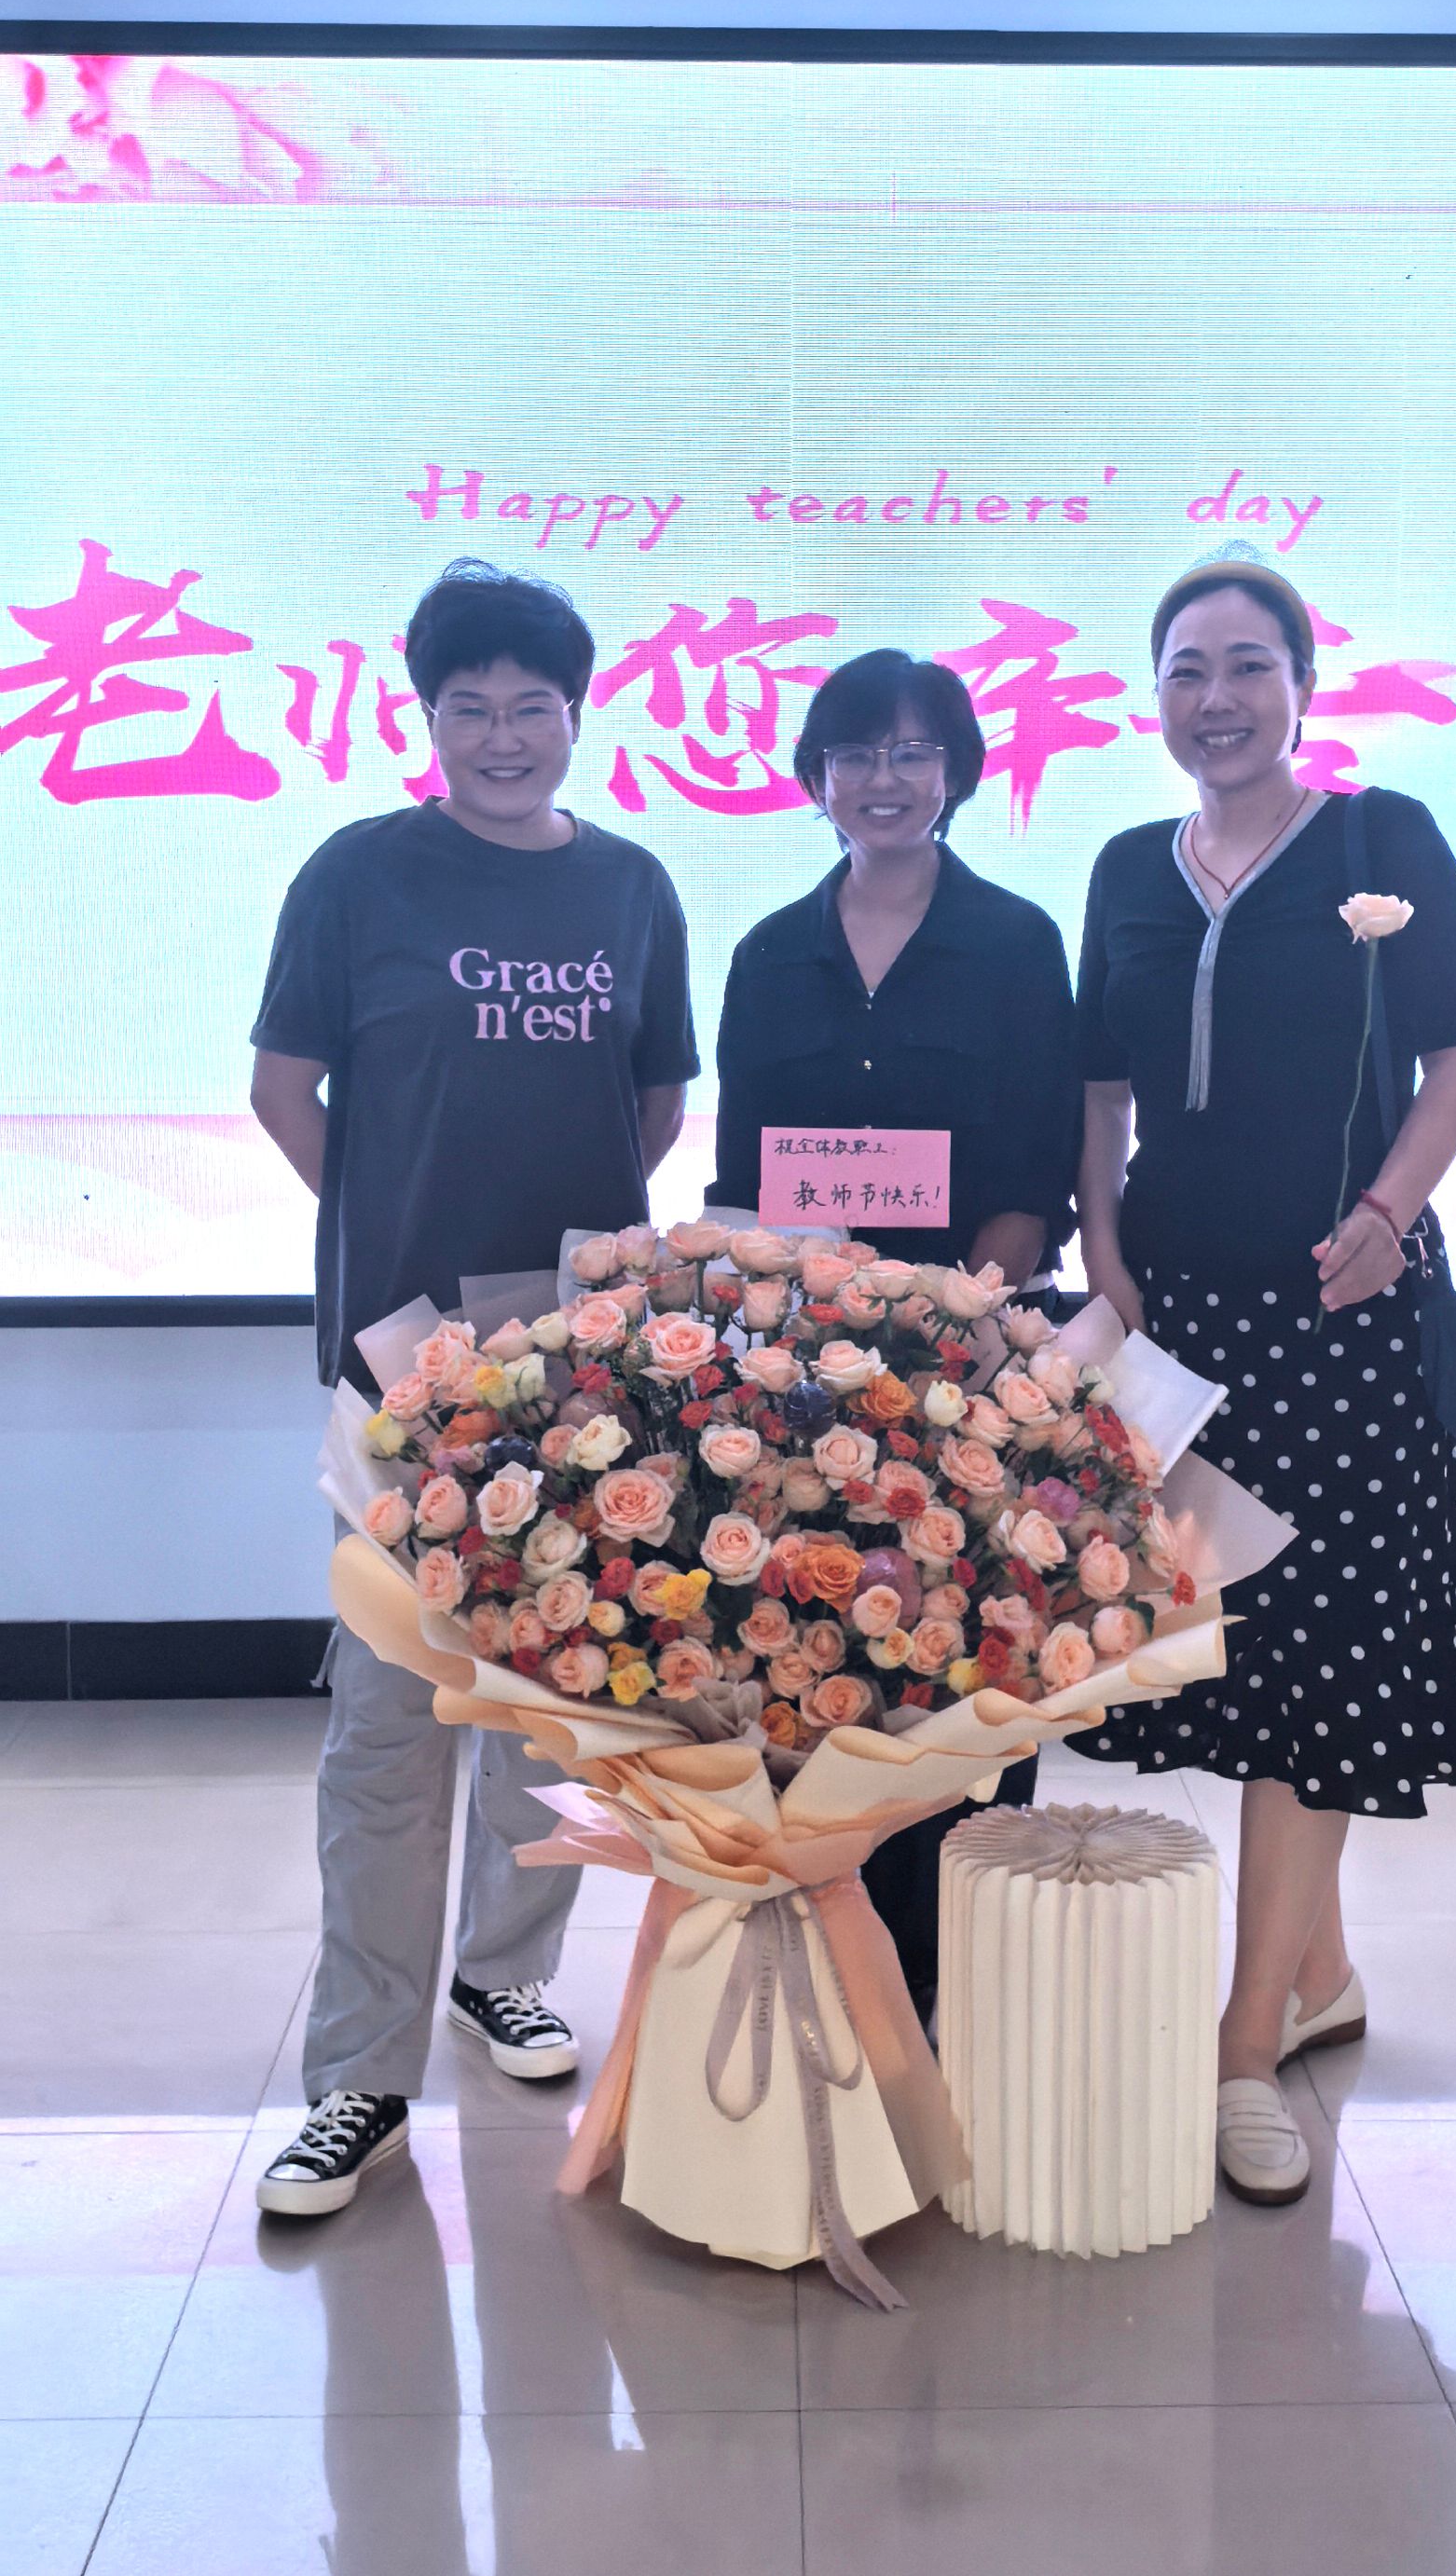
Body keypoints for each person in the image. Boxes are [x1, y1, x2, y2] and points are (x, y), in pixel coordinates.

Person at [1073, 547, 1456, 2208]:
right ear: (1156, 695)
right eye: (1186, 669)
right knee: (1230, 1658)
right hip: (1182, 1322)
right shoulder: (1128, 868)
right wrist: (1103, 1251)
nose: (1218, 698)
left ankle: (1246, 2044)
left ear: (1303, 683)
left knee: (1318, 1666)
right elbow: (1102, 1089)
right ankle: (1318, 1973)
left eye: (1247, 664)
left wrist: (1387, 1213)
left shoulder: (1379, 840)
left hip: (1340, 1322)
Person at [248, 558, 698, 2216]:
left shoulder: (633, 887)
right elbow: (285, 1089)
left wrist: (548, 1291)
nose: (504, 736)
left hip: (576, 1374)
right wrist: (388, 1232)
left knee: (549, 1699)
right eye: (471, 707)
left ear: (578, 715)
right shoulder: (359, 873)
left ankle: (505, 1972)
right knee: (387, 1730)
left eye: (533, 707)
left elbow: (653, 1106)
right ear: (427, 716)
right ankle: (357, 2078)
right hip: (399, 1372)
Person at [710, 646, 1080, 2018]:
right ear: (817, 776)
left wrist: (951, 1319)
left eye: (914, 751)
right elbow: (741, 1182)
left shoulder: (1018, 944)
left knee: (968, 1666)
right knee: (821, 1658)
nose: (884, 778)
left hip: (968, 1373)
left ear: (957, 772)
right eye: (856, 752)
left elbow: (1037, 1171)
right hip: (805, 1379)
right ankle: (831, 1989)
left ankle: (960, 1993)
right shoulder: (768, 955)